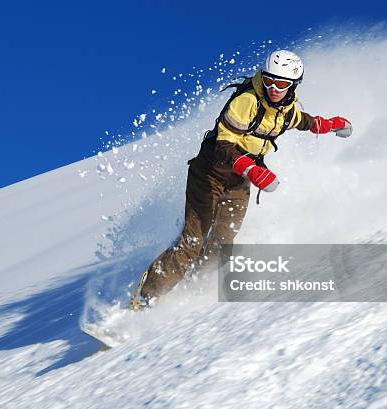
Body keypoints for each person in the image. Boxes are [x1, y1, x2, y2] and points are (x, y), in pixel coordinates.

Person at [129, 50, 352, 310]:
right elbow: (223, 147)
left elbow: (304, 121)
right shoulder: (247, 102)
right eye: (268, 80)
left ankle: (193, 291)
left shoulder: (285, 111)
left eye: (280, 84)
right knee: (193, 243)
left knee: (222, 244)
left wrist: (331, 125)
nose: (273, 88)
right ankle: (143, 300)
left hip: (238, 184)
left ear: (292, 85)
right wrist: (252, 169)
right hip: (209, 175)